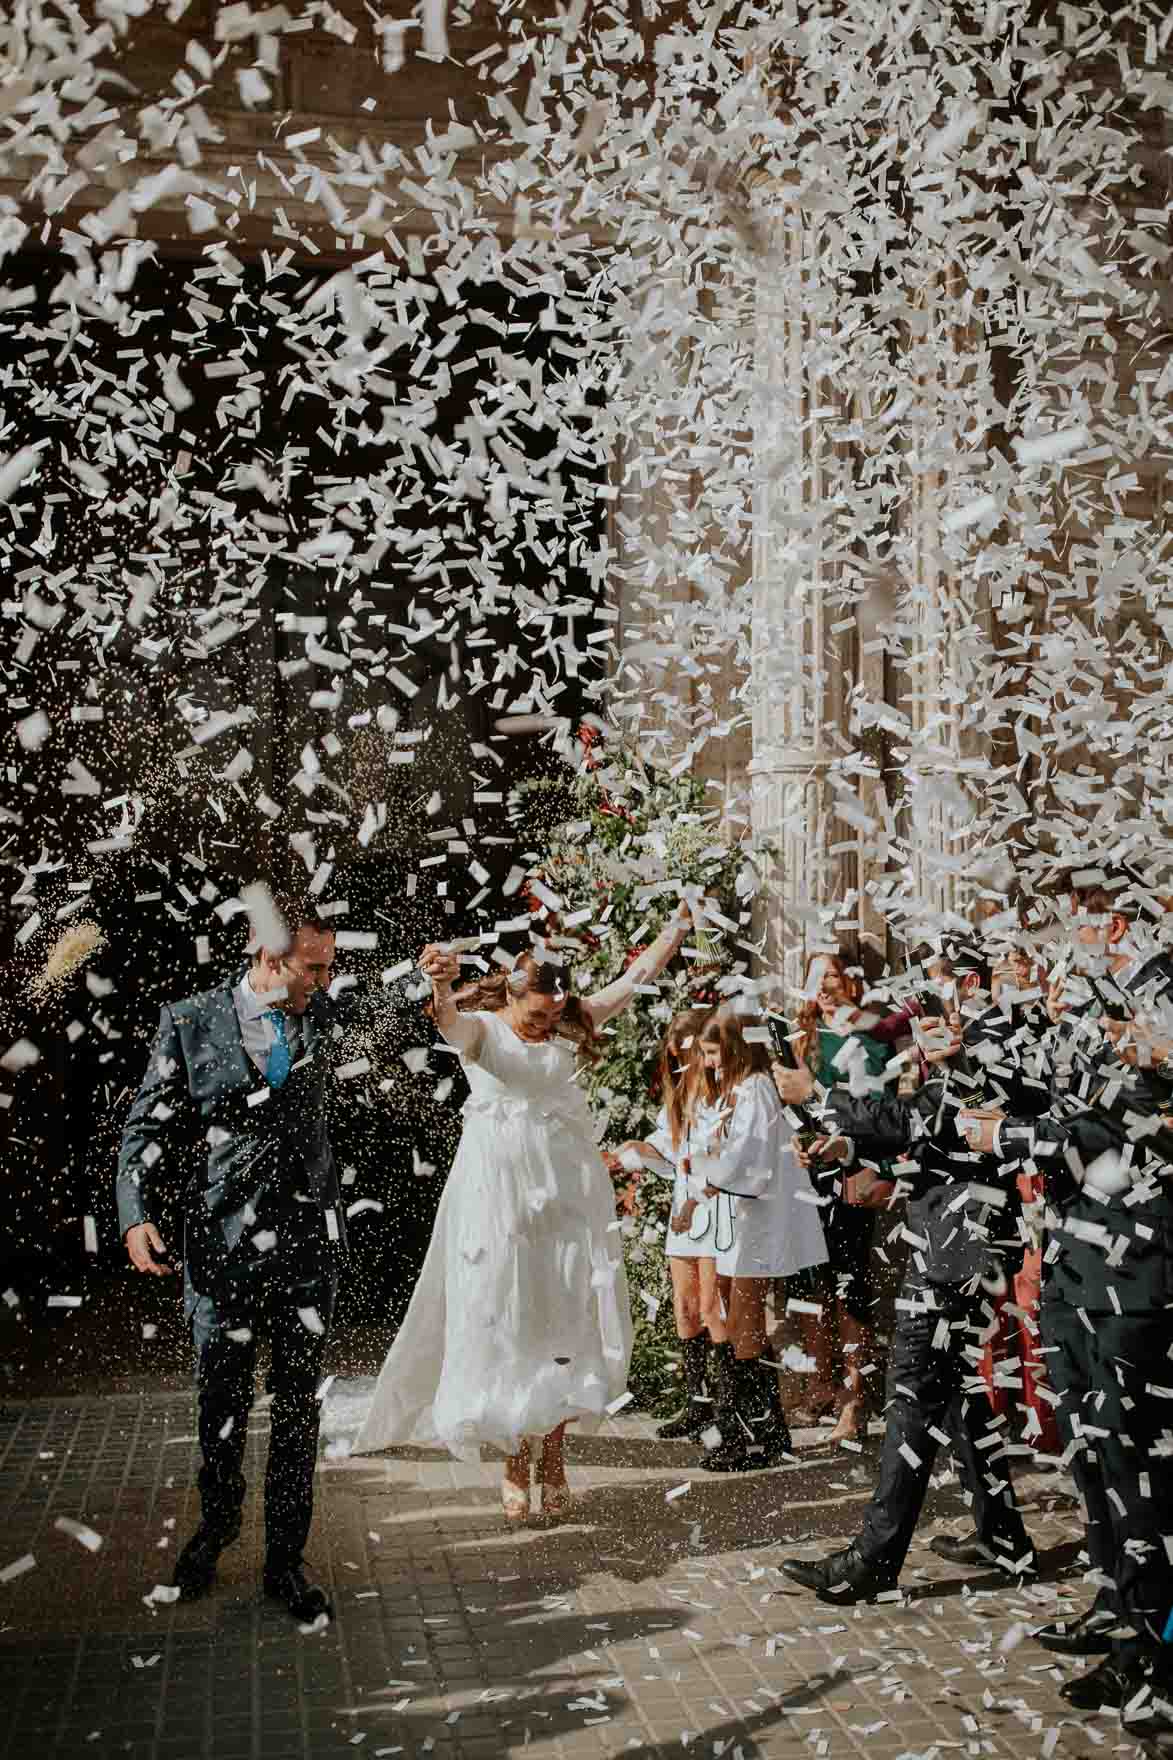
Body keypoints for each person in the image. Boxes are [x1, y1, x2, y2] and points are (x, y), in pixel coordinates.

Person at [351, 907, 692, 1524]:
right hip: (498, 1195)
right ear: (514, 994)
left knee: (565, 1313)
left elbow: (633, 980)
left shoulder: (570, 1019)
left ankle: (555, 1453)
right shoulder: (483, 1030)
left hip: (566, 1190)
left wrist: (675, 931)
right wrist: (439, 982)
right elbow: (449, 1023)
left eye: (556, 1012)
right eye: (537, 1013)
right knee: (507, 1316)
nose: (546, 1024)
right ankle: (513, 1455)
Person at [962, 878, 1173, 1729]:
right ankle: (1125, 1633)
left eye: (1073, 917)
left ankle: (1158, 1662)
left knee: (1143, 1479)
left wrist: (1013, 1139)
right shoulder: (1087, 997)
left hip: (1138, 1271)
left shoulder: (1160, 994)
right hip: (1075, 1261)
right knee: (1094, 1465)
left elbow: (1146, 1124)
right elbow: (1062, 1102)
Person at [780, 939, 1040, 1603]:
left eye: (933, 985)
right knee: (955, 1392)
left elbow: (938, 1122)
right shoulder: (974, 1035)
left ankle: (871, 1561)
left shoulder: (993, 1035)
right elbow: (933, 1140)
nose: (923, 1003)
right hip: (954, 1229)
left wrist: (824, 1095)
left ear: (971, 982)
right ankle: (1003, 1540)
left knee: (912, 1389)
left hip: (961, 1240)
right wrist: (852, 1149)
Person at [117, 888, 346, 1622]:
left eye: (329, 966)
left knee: (297, 1413)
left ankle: (286, 1560)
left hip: (307, 1251)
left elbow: (431, 1019)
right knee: (221, 1406)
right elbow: (142, 1128)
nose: (322, 980)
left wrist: (441, 989)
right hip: (220, 1250)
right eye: (311, 967)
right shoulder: (188, 1021)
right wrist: (133, 1215)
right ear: (265, 954)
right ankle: (214, 1532)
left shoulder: (327, 1016)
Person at [687, 1004, 829, 1472]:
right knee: (724, 1317)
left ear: (734, 1047)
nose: (709, 1063)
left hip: (757, 1221)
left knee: (746, 1327)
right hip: (733, 1216)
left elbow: (751, 1159)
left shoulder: (758, 1090)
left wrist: (707, 1175)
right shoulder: (736, 1089)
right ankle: (746, 1431)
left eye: (713, 1052)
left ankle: (756, 1438)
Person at [787, 953, 895, 1443]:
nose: (822, 986)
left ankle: (855, 1402)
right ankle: (821, 1384)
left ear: (852, 981)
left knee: (850, 1283)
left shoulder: (871, 1035)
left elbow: (878, 1107)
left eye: (830, 975)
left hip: (850, 1169)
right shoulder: (801, 1033)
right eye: (814, 977)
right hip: (806, 1172)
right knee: (812, 1284)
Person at [605, 1007, 722, 1443]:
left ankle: (724, 1408)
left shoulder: (723, 1093)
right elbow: (666, 1148)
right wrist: (637, 1149)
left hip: (713, 1207)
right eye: (676, 1057)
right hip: (682, 1213)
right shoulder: (678, 1095)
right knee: (686, 1308)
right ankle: (696, 1402)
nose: (682, 1065)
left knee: (713, 1309)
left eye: (688, 1055)